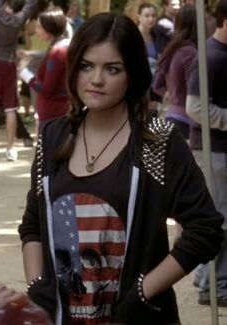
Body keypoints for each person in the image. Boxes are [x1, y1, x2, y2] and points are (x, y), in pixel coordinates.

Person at [18, 12, 224, 324]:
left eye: (112, 69)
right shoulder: (52, 136)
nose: (96, 79)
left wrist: (142, 291)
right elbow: (33, 224)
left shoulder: (157, 140)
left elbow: (205, 229)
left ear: (133, 75)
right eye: (86, 66)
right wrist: (37, 289)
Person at [186, 0, 227, 306]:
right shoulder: (210, 56)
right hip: (213, 151)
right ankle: (215, 288)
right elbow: (195, 107)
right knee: (222, 221)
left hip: (221, 151)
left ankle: (205, 277)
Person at [0, 0, 38, 161]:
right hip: (9, 64)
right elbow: (31, 4)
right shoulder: (20, 19)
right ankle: (10, 149)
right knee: (11, 108)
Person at [19, 7, 71, 135]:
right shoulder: (66, 45)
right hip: (60, 110)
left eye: (39, 27)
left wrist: (24, 73)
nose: (36, 31)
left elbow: (46, 90)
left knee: (46, 152)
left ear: (49, 29)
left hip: (52, 113)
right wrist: (31, 54)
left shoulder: (57, 52)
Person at [153, 4, 197, 141]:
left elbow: (157, 86)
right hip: (186, 120)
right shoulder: (189, 52)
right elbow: (194, 88)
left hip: (172, 115)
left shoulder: (172, 49)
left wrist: (172, 94)